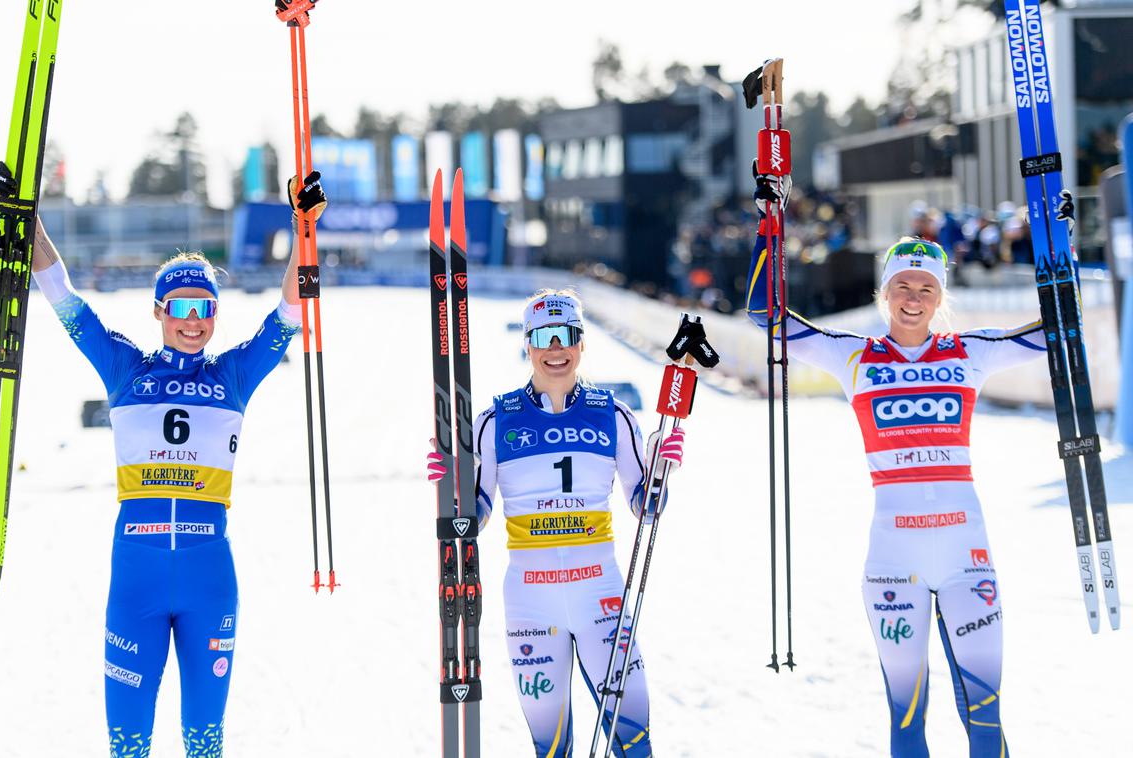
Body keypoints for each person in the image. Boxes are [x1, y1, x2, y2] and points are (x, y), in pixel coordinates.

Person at [0, 162, 326, 757]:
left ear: (216, 315)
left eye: (205, 309)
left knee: (204, 742)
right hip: (136, 577)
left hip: (208, 577)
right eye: (181, 307)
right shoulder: (125, 370)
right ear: (158, 310)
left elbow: (291, 313)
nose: (193, 322)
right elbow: (62, 296)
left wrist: (304, 233)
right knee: (128, 744)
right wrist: (27, 219)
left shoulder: (233, 377)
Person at [746, 167, 1048, 758]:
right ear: (884, 293)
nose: (914, 299)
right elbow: (766, 316)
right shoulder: (852, 355)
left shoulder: (970, 352)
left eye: (926, 289)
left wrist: (1051, 239)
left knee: (985, 718)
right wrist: (769, 227)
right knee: (907, 720)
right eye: (902, 288)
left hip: (968, 558)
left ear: (941, 297)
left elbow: (1061, 331)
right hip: (893, 563)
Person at [428, 290, 684, 757]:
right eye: (543, 337)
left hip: (601, 596)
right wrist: (451, 489)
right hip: (531, 602)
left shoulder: (614, 415)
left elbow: (646, 507)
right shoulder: (494, 420)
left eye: (567, 335)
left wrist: (661, 471)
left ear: (582, 342)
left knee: (635, 741)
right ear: (528, 344)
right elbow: (475, 515)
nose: (555, 348)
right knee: (552, 748)